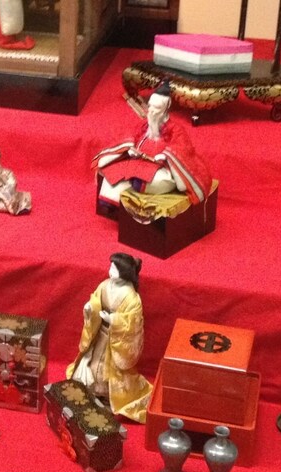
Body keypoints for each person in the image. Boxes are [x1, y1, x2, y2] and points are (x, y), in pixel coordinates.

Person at [93, 83, 212, 219]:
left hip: (161, 168)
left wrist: (166, 155)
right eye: (150, 106)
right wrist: (131, 148)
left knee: (156, 180)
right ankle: (110, 204)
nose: (151, 111)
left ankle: (138, 186)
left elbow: (184, 148)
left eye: (156, 108)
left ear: (165, 108)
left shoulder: (176, 130)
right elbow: (132, 136)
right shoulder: (145, 125)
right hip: (138, 161)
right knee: (116, 172)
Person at [66, 253, 153, 423]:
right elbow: (95, 300)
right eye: (111, 267)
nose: (110, 270)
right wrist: (90, 307)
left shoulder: (131, 297)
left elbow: (132, 322)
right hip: (100, 333)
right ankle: (93, 393)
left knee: (109, 373)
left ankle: (106, 398)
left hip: (116, 340)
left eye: (114, 268)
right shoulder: (105, 285)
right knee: (92, 363)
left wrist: (112, 319)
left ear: (124, 272)